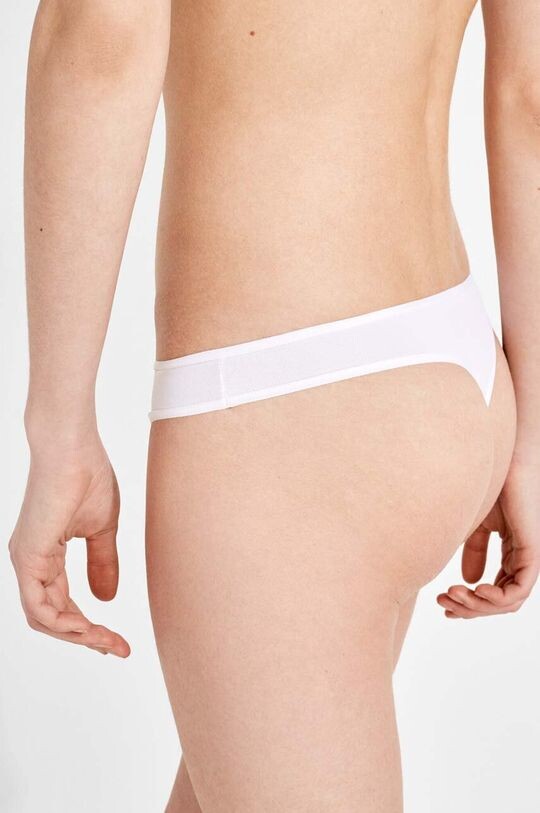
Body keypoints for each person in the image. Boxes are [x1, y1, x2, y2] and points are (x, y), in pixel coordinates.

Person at [8, 1, 540, 810]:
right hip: (445, 361)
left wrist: (59, 427)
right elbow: (529, 95)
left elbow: (101, 35)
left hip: (287, 419)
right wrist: (530, 431)